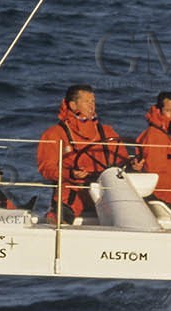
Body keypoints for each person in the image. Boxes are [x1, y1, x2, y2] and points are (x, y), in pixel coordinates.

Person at [37, 84, 140, 221]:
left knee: (132, 212)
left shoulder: (107, 132)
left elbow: (122, 162)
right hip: (74, 188)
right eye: (87, 102)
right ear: (73, 105)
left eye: (93, 102)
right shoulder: (54, 134)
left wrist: (133, 166)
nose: (92, 106)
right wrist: (70, 173)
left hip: (105, 189)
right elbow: (47, 168)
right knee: (61, 214)